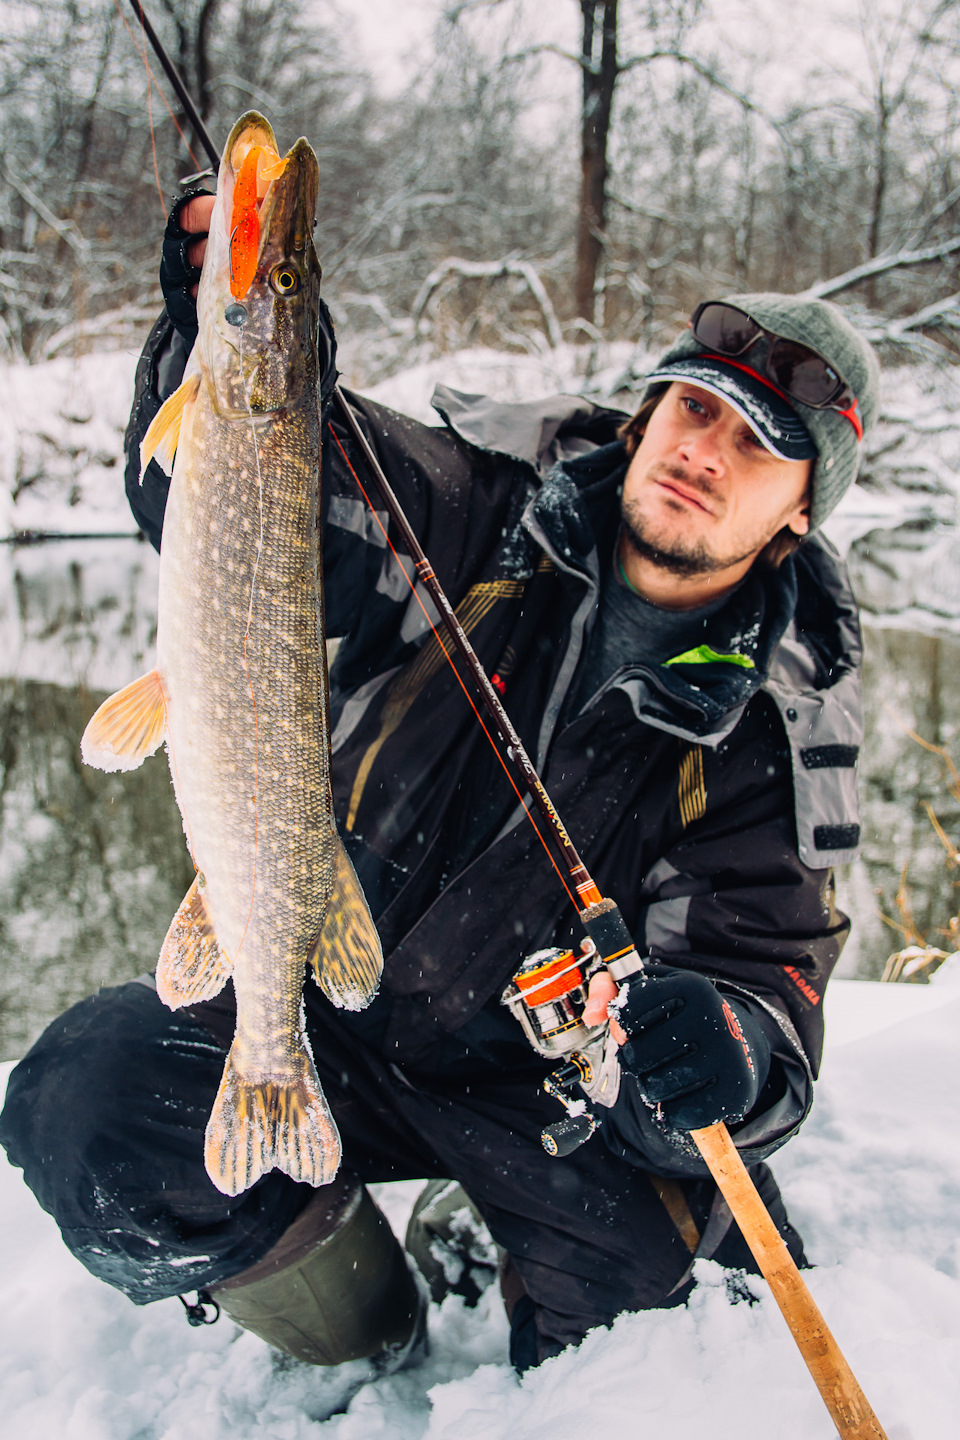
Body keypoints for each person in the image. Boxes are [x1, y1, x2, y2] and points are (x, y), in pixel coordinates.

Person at [0, 189, 880, 1375]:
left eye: (758, 446)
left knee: (673, 1321)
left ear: (799, 513)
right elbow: (245, 491)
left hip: (551, 1095)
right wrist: (214, 326)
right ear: (648, 412)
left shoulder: (777, 731)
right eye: (693, 408)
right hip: (330, 1002)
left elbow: (766, 986)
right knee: (89, 1105)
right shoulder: (473, 510)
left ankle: (481, 1214)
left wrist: (730, 1041)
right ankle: (366, 1321)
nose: (702, 453)